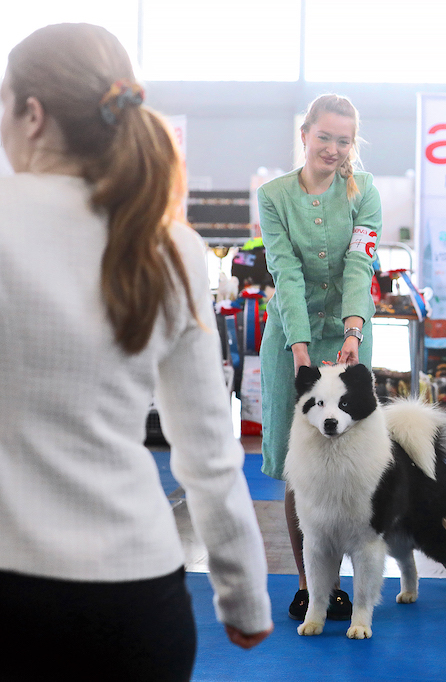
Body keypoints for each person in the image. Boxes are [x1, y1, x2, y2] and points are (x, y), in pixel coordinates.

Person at [0, 23, 272, 679]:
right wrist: (244, 593)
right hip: (138, 601)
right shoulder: (171, 243)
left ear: (32, 113)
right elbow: (208, 449)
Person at [258, 94, 381, 618]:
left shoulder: (364, 190)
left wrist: (353, 330)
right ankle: (311, 584)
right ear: (305, 134)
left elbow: (360, 263)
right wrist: (301, 350)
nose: (332, 148)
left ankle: (353, 581)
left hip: (350, 339)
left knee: (356, 464)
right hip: (291, 343)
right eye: (324, 136)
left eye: (343, 140)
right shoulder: (272, 196)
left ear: (352, 144)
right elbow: (284, 273)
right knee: (301, 465)